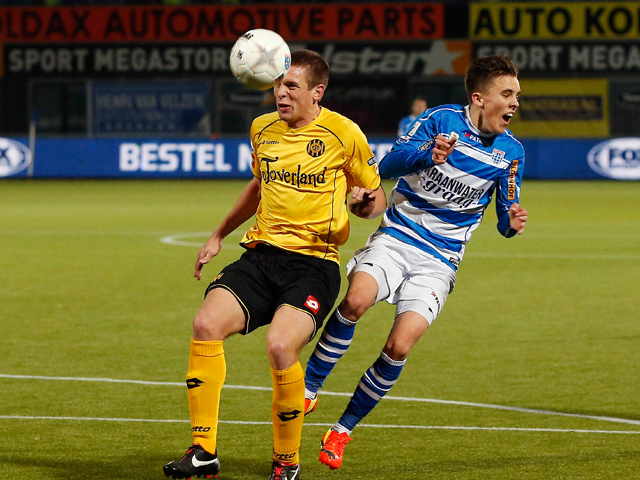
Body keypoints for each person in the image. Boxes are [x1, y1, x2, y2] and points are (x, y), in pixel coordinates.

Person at [162, 50, 386, 480]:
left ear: (317, 92)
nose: (280, 94)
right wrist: (219, 233)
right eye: (277, 86)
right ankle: (203, 451)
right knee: (206, 324)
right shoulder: (262, 128)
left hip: (313, 264)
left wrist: (362, 204)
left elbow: (376, 198)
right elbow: (259, 186)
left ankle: (286, 462)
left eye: (291, 87)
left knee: (281, 347)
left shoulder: (344, 133)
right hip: (262, 256)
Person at [303, 54, 528, 470]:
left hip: (440, 260)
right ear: (479, 98)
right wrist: (429, 155)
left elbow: (504, 216)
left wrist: (512, 222)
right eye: (507, 94)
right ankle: (310, 387)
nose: (515, 102)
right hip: (398, 236)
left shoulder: (511, 152)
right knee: (355, 301)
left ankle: (342, 431)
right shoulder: (441, 120)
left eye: (517, 95)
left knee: (399, 346)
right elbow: (385, 167)